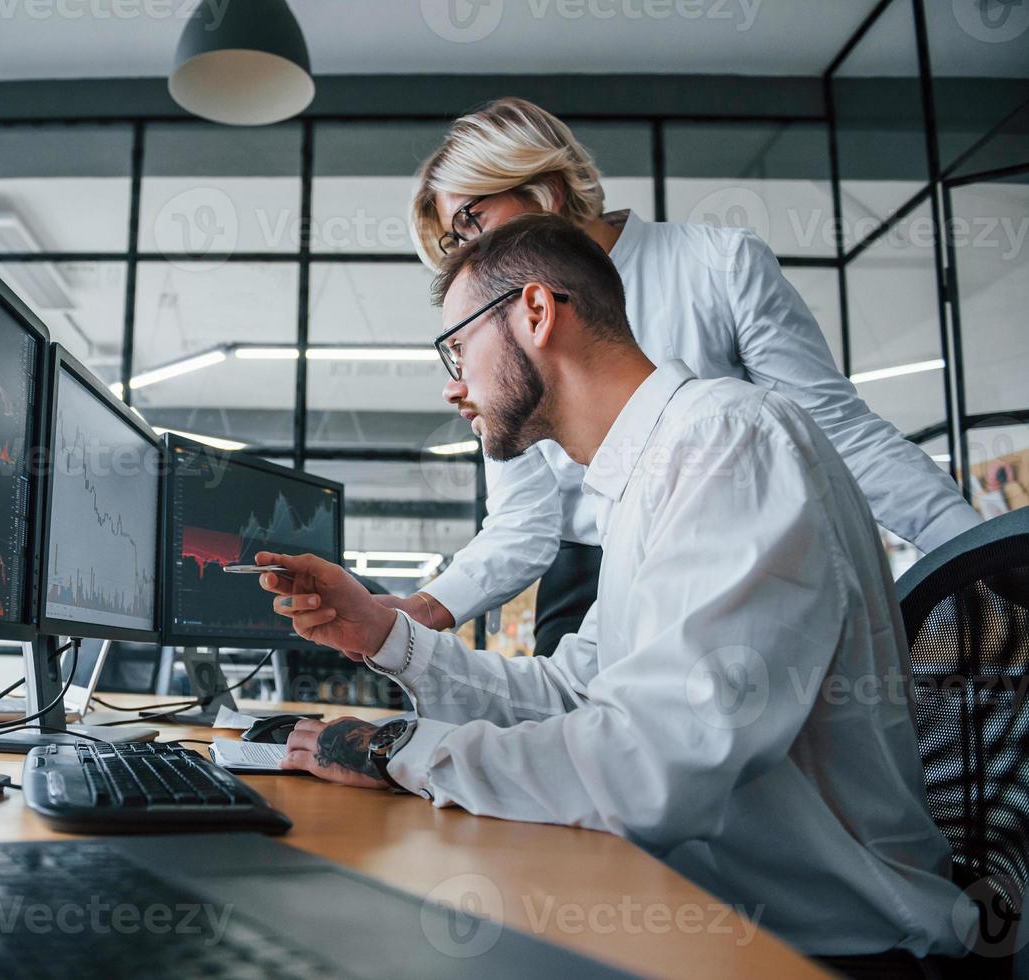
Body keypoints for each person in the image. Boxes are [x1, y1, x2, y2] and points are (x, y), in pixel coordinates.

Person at [256, 214, 969, 975]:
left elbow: (653, 769)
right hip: (708, 922)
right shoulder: (647, 478)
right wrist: (384, 635)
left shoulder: (727, 442)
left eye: (457, 344)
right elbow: (575, 695)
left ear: (535, 311)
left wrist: (397, 748)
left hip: (827, 952)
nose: (452, 382)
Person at [386, 98, 980, 656]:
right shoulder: (502, 332)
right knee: (566, 734)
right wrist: (420, 610)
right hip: (589, 574)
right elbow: (524, 519)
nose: (467, 250)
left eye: (471, 218)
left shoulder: (717, 265)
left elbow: (843, 436)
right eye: (453, 238)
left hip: (727, 555)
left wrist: (989, 553)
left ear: (545, 187)